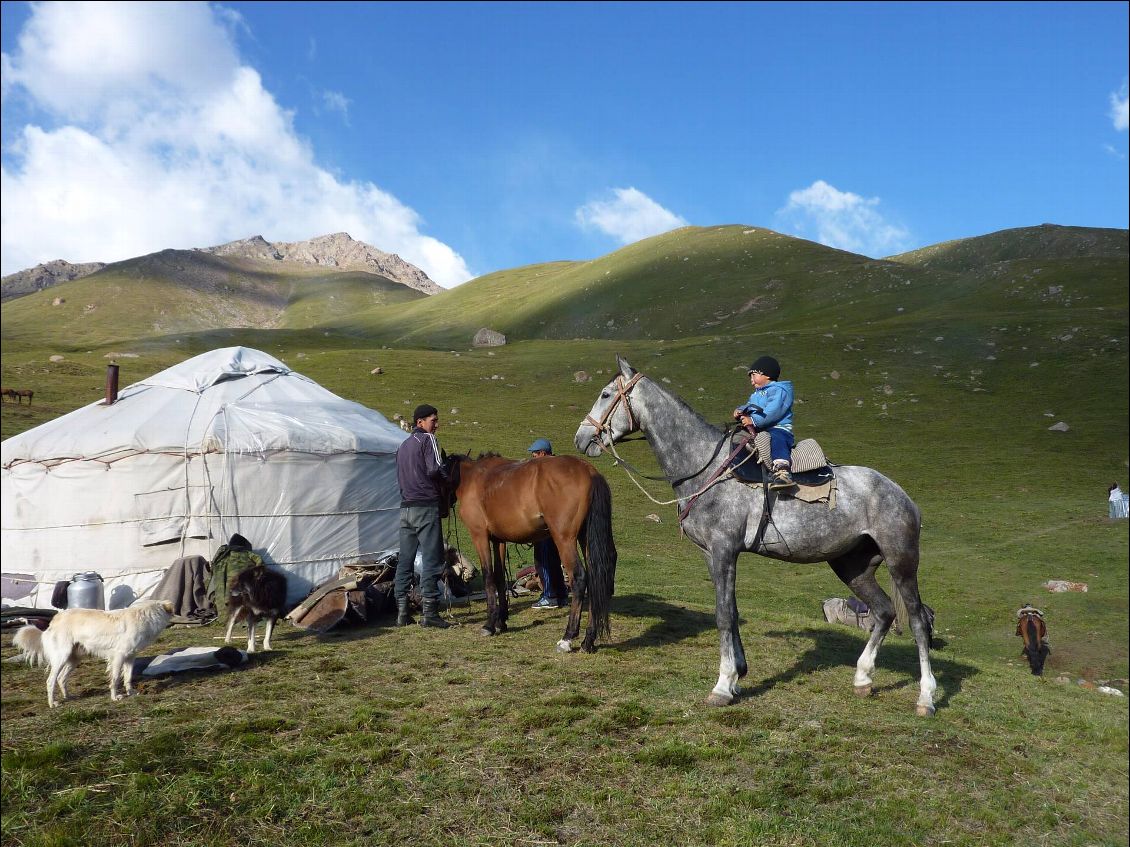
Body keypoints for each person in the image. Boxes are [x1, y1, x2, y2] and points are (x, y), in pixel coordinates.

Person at [394, 404, 450, 628]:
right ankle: (430, 613)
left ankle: (402, 613)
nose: (436, 425)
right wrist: (449, 481)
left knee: (405, 561)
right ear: (420, 423)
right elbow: (435, 469)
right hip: (425, 506)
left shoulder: (403, 446)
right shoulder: (428, 440)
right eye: (433, 420)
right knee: (432, 558)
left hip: (405, 508)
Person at [733, 355, 797, 490]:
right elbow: (751, 406)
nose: (751, 381)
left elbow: (773, 412)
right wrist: (741, 411)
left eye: (753, 376)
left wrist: (753, 420)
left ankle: (783, 471)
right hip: (761, 428)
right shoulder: (757, 394)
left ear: (766, 375)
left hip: (778, 428)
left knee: (776, 438)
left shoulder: (780, 391)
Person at [527, 439, 570, 609]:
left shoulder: (546, 469)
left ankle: (549, 595)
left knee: (543, 558)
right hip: (560, 522)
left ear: (543, 453)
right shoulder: (560, 467)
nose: (533, 458)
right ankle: (561, 594)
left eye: (535, 455)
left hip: (547, 522)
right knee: (554, 559)